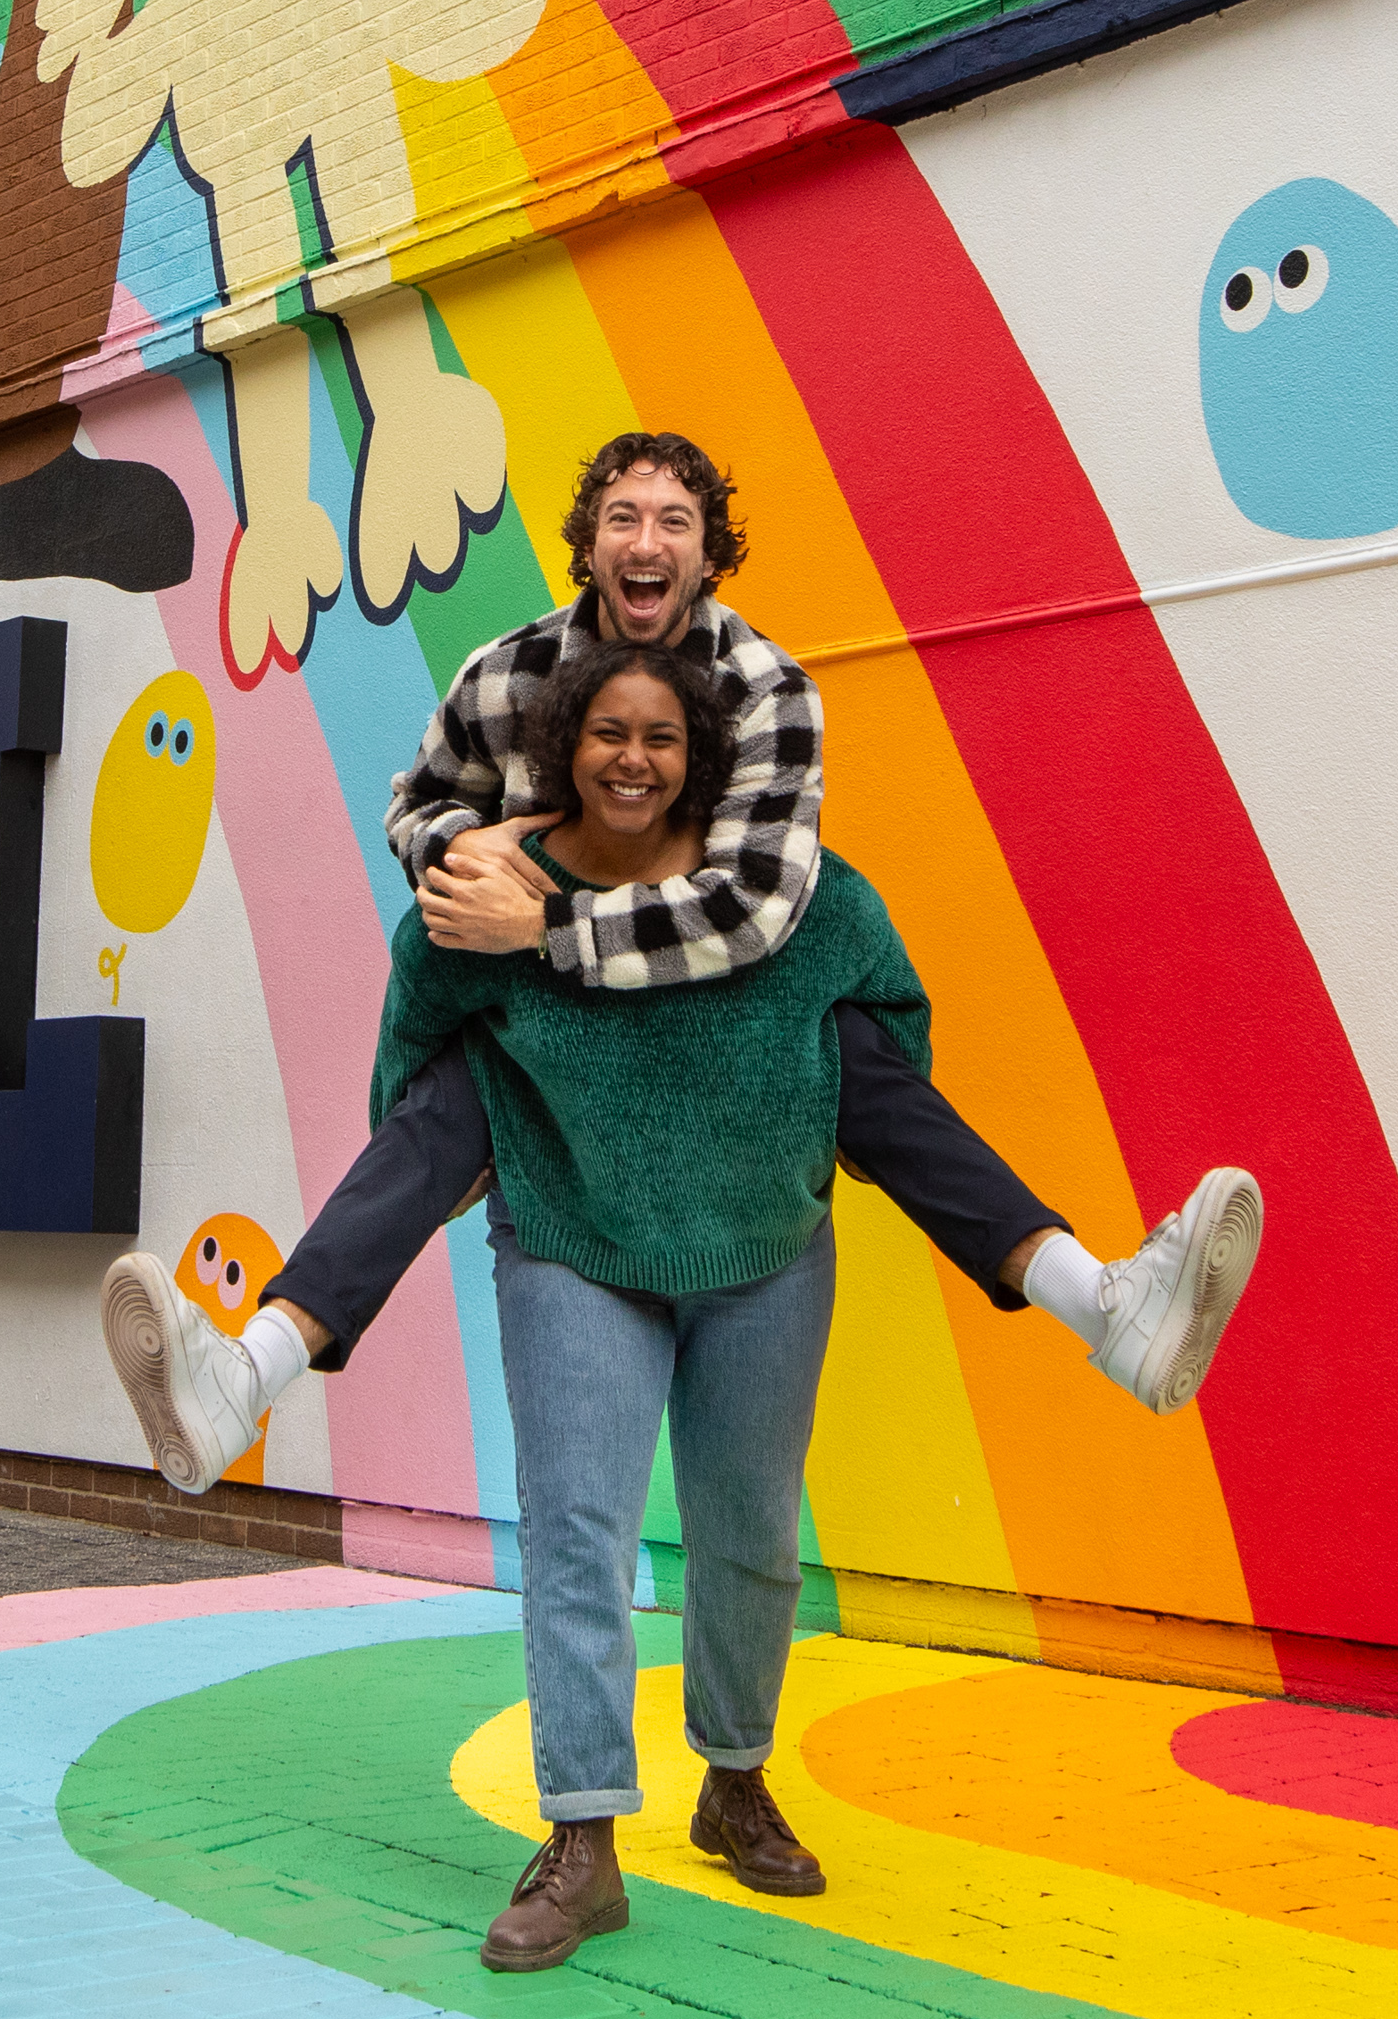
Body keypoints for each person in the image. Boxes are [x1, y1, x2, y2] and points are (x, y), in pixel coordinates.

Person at [104, 428, 1260, 1491]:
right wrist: (465, 850)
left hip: (729, 1029)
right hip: (559, 1050)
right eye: (623, 515)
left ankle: (1104, 1305)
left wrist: (541, 927)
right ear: (590, 544)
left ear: (709, 554)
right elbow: (419, 803)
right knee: (444, 1111)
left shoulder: (771, 693)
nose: (646, 539)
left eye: (674, 519)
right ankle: (243, 1378)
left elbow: (752, 906)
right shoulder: (504, 675)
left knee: (859, 1063)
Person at [380, 638, 907, 1968]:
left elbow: (886, 1003)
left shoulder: (782, 892)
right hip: (572, 1235)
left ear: (707, 760)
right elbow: (420, 991)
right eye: (607, 732)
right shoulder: (503, 887)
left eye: (661, 737)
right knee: (577, 1531)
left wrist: (844, 1132)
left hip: (762, 1239)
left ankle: (735, 1779)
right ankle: (583, 1844)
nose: (631, 757)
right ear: (563, 748)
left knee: (751, 1532)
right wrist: (420, 1144)